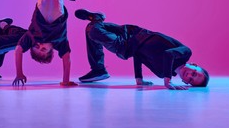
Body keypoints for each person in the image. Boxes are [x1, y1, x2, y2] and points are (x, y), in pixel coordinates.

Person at [74, 9, 210, 90]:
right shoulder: (185, 53)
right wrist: (168, 81)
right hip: (133, 31)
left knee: (92, 31)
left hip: (125, 46)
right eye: (194, 73)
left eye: (191, 80)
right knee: (91, 30)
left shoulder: (162, 73)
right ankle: (98, 69)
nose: (189, 75)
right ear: (195, 66)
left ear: (185, 83)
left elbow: (139, 55)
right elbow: (168, 55)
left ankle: (97, 20)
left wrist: (139, 78)